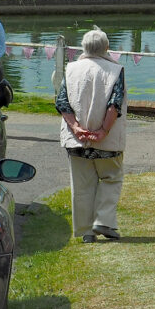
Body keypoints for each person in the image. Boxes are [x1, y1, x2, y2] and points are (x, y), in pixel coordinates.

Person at [56, 28, 127, 244]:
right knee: (110, 178)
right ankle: (104, 221)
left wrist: (75, 127)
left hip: (77, 139)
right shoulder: (115, 70)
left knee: (82, 185)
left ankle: (86, 231)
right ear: (106, 48)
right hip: (107, 139)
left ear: (83, 48)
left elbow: (61, 102)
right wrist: (104, 130)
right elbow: (114, 104)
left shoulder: (71, 69)